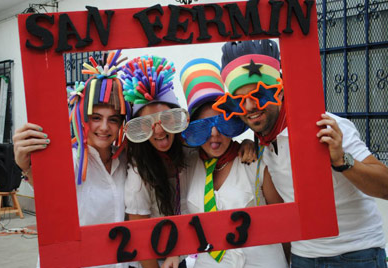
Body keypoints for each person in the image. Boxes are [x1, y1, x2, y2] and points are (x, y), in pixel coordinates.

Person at [216, 39, 388, 267]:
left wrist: (341, 160)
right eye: (239, 101)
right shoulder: (263, 141)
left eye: (258, 96)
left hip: (356, 253)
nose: (249, 108)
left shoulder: (324, 125)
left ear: (279, 91)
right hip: (304, 256)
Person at [121, 55, 257, 268]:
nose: (159, 130)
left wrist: (247, 143)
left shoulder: (191, 152)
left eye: (166, 119)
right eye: (148, 124)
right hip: (152, 260)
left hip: (183, 255)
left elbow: (219, 148)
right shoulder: (139, 174)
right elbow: (139, 236)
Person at [163, 58, 288, 268]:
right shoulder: (189, 164)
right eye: (203, 127)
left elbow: (282, 221)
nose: (214, 135)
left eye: (222, 123)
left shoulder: (254, 161)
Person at [13, 51, 133, 268]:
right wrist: (27, 166)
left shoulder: (127, 161)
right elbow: (50, 193)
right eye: (96, 118)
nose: (104, 127)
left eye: (113, 119)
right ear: (81, 116)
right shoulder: (69, 158)